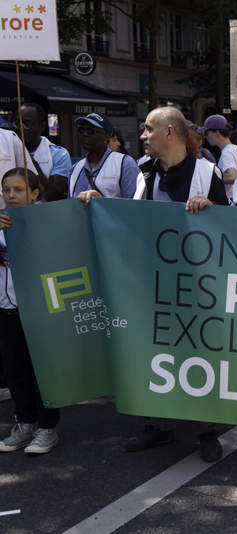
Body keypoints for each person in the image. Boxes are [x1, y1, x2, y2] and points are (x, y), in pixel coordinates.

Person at [82, 106, 228, 461]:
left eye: (148, 129)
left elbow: (230, 229)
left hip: (196, 287)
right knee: (156, 354)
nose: (142, 136)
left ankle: (206, 429)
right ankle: (158, 426)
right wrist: (104, 206)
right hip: (153, 285)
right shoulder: (145, 173)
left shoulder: (207, 173)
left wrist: (211, 207)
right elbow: (132, 221)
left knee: (197, 356)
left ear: (169, 133)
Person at [0, 168, 61, 454]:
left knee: (43, 372)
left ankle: (47, 428)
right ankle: (24, 423)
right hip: (6, 309)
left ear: (35, 194)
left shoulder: (46, 222)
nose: (11, 196)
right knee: (15, 370)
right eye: (6, 190)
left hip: (37, 310)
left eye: (19, 190)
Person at [69, 112, 139, 199]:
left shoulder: (125, 164)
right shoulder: (75, 169)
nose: (85, 134)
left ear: (107, 135)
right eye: (81, 130)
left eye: (90, 130)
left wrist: (102, 202)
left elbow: (135, 207)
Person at [20, 103, 70, 201]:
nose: (20, 128)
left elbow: (54, 195)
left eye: (26, 123)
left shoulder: (59, 154)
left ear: (42, 126)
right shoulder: (6, 150)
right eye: (17, 123)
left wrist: (31, 162)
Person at [199, 114, 237, 200]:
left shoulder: (227, 152)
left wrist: (210, 179)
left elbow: (231, 176)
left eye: (206, 133)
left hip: (229, 202)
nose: (205, 136)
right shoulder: (235, 149)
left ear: (217, 132)